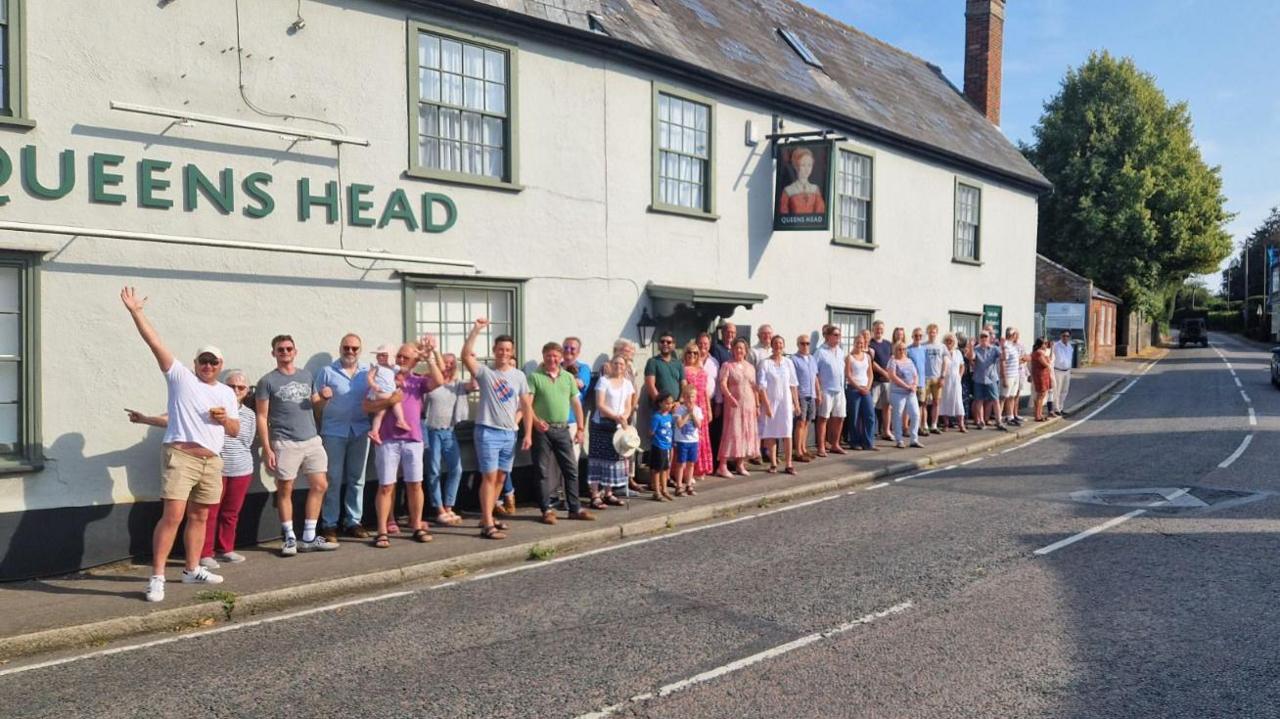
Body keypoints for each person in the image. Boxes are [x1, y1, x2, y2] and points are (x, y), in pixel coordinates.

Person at [121, 287, 239, 602]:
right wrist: (136, 312)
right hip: (182, 457)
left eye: (214, 362)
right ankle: (157, 576)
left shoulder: (227, 393)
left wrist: (224, 420)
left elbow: (235, 430)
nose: (208, 366)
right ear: (195, 362)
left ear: (221, 364)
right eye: (204, 360)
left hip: (211, 461)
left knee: (200, 516)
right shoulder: (181, 378)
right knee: (172, 515)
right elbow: (155, 342)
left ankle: (191, 569)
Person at [125, 369, 258, 570]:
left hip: (241, 467)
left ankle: (226, 548)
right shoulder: (209, 402)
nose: (236, 390)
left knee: (231, 512)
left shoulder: (249, 414)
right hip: (214, 466)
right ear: (224, 387)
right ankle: (205, 554)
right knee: (207, 512)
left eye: (241, 387)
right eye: (232, 386)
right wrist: (145, 419)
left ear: (247, 390)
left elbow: (246, 439)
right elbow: (173, 419)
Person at [257, 335, 340, 556]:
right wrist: (267, 448)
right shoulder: (267, 381)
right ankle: (289, 537)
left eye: (288, 349)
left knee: (320, 485)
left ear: (295, 351)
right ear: (273, 353)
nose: (285, 352)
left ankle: (309, 537)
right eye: (280, 349)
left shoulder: (306, 375)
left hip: (311, 439)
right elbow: (262, 417)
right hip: (285, 442)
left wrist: (324, 398)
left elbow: (315, 405)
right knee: (285, 489)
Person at [463, 319, 533, 540]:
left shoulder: (519, 376)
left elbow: (526, 405)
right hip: (487, 431)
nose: (504, 353)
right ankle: (487, 524)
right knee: (489, 477)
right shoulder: (485, 373)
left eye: (508, 350)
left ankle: (488, 517)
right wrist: (476, 331)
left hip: (509, 434)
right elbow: (466, 356)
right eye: (500, 349)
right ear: (494, 351)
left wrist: (528, 433)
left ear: (512, 352)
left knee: (502, 478)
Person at [363, 339, 437, 548]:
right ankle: (381, 531)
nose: (402, 359)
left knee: (415, 485)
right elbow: (366, 406)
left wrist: (430, 356)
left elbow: (438, 381)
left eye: (406, 357)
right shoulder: (384, 377)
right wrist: (389, 401)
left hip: (413, 440)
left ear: (414, 360)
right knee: (386, 486)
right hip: (387, 440)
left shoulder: (417, 381)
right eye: (400, 356)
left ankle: (416, 526)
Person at [527, 341, 594, 524]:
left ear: (561, 357)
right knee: (542, 472)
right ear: (544, 356)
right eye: (549, 355)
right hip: (542, 431)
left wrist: (580, 429)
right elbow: (527, 404)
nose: (552, 359)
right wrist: (535, 421)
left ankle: (574, 508)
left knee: (571, 469)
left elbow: (577, 404)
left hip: (563, 429)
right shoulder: (534, 377)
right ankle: (546, 510)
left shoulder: (568, 378)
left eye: (556, 356)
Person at [313, 333, 372, 542]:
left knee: (357, 479)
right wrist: (322, 399)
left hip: (360, 430)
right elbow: (316, 405)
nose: (350, 351)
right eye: (346, 347)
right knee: (333, 479)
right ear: (340, 348)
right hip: (334, 432)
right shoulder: (327, 372)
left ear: (360, 350)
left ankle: (353, 521)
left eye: (354, 348)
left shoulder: (368, 372)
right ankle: (329, 524)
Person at [423, 351, 474, 527]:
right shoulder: (430, 381)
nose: (449, 365)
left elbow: (474, 385)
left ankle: (449, 505)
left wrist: (471, 361)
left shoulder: (457, 384)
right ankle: (439, 509)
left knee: (456, 469)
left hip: (449, 432)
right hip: (431, 431)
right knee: (434, 471)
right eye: (445, 362)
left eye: (452, 363)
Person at [588, 355, 635, 506]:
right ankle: (595, 494)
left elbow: (628, 405)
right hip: (602, 424)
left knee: (613, 460)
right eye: (616, 363)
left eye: (622, 364)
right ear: (611, 365)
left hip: (618, 425)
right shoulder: (603, 381)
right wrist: (616, 416)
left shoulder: (627, 384)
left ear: (625, 367)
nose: (619, 366)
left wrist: (624, 417)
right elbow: (600, 404)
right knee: (598, 458)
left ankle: (609, 493)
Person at [715, 338, 761, 478]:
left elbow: (754, 387)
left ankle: (740, 463)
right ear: (732, 350)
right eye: (736, 348)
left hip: (749, 404)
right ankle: (722, 466)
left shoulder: (750, 367)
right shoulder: (727, 365)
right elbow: (722, 384)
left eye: (742, 348)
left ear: (746, 350)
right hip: (734, 404)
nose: (739, 350)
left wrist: (758, 405)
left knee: (745, 432)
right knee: (732, 432)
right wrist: (729, 397)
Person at [758, 335, 800, 474]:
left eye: (780, 343)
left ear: (784, 345)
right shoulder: (765, 363)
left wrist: (797, 404)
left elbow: (793, 385)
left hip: (786, 402)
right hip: (771, 402)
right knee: (771, 433)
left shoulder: (788, 362)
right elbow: (761, 386)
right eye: (775, 343)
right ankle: (773, 463)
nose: (778, 346)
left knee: (787, 432)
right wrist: (767, 405)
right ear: (771, 345)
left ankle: (789, 464)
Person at [680, 341, 715, 481]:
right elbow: (683, 390)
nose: (692, 355)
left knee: (702, 439)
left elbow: (705, 392)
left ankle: (700, 469)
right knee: (690, 437)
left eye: (695, 353)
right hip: (690, 405)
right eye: (689, 352)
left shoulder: (702, 371)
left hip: (702, 407)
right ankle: (689, 471)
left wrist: (709, 410)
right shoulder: (682, 369)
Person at [366, 344, 412, 445]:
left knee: (380, 414)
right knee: (395, 400)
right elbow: (369, 377)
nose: (380, 357)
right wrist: (373, 385)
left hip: (388, 391)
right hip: (380, 392)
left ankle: (374, 432)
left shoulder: (392, 367)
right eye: (379, 355)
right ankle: (400, 420)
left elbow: (404, 370)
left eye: (384, 355)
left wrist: (400, 381)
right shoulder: (377, 366)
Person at [813, 324, 845, 456]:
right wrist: (818, 390)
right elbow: (814, 372)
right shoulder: (820, 352)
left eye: (839, 335)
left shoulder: (841, 351)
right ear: (828, 336)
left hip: (840, 389)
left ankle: (835, 444)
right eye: (835, 335)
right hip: (826, 389)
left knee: (839, 417)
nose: (838, 338)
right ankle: (821, 446)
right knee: (823, 418)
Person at [966, 330, 1005, 431]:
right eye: (982, 337)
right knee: (979, 400)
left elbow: (1003, 358)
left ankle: (999, 421)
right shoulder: (976, 349)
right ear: (979, 338)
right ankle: (981, 421)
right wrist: (970, 346)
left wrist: (1003, 347)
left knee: (995, 400)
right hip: (979, 378)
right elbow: (971, 357)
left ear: (989, 338)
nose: (984, 339)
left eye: (986, 336)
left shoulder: (994, 349)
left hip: (991, 378)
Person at [887, 341, 923, 449]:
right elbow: (893, 376)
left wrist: (914, 385)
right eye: (899, 349)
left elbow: (915, 374)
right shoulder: (893, 361)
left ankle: (914, 439)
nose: (902, 351)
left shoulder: (909, 361)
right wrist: (906, 386)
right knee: (897, 415)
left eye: (903, 349)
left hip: (910, 392)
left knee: (915, 415)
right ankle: (899, 439)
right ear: (895, 350)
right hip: (898, 393)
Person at [845, 334, 876, 450]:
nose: (860, 345)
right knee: (854, 416)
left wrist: (867, 387)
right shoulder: (849, 357)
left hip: (865, 388)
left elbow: (870, 374)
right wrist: (858, 388)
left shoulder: (867, 356)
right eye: (858, 342)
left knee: (870, 415)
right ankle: (854, 441)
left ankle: (868, 441)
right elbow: (848, 375)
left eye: (862, 343)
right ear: (854, 343)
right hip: (854, 389)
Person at [790, 333, 818, 462]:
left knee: (807, 422)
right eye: (802, 343)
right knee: (800, 423)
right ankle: (798, 451)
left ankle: (804, 448)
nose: (805, 346)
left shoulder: (812, 358)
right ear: (798, 345)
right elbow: (792, 380)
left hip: (812, 394)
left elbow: (815, 377)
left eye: (807, 343)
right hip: (801, 394)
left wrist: (819, 392)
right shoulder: (794, 359)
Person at [672, 385, 704, 495]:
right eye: (687, 397)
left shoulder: (698, 410)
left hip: (693, 441)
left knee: (691, 463)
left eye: (692, 397)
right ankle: (679, 486)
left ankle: (689, 485)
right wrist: (688, 413)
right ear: (684, 398)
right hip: (682, 441)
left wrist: (693, 413)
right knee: (681, 464)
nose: (690, 399)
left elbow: (698, 425)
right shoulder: (679, 410)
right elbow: (680, 424)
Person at [777, 146, 826, 216]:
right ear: (796, 166)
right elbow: (783, 214)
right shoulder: (788, 190)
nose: (807, 169)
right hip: (794, 225)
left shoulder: (815, 189)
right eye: (803, 165)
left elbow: (820, 212)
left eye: (809, 165)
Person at [868, 321, 894, 441]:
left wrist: (890, 374)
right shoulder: (870, 344)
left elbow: (892, 359)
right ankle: (871, 432)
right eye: (877, 329)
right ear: (873, 329)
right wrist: (884, 373)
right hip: (876, 381)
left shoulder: (888, 344)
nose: (879, 331)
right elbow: (871, 363)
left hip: (888, 382)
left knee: (887, 407)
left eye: (881, 329)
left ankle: (886, 431)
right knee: (871, 406)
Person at [698, 332, 722, 463]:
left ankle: (709, 463)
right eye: (700, 343)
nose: (703, 346)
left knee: (710, 434)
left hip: (711, 402)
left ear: (710, 345)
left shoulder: (714, 362)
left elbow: (718, 384)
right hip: (695, 403)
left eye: (706, 344)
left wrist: (718, 403)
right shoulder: (692, 360)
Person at [648, 392, 676, 501]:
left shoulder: (669, 416)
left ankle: (664, 489)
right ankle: (657, 491)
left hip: (667, 447)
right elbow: (651, 432)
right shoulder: (657, 417)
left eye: (671, 403)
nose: (669, 406)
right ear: (660, 404)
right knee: (657, 470)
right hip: (658, 446)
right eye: (667, 403)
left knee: (665, 469)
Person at [938, 333, 967, 433]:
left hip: (956, 380)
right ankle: (946, 424)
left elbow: (962, 365)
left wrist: (960, 375)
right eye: (947, 340)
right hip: (945, 380)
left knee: (958, 401)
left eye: (951, 341)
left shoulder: (958, 353)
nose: (949, 342)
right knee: (945, 401)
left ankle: (961, 424)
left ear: (954, 342)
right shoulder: (942, 352)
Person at [922, 324, 946, 435]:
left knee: (936, 402)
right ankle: (924, 424)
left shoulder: (941, 346)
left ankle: (934, 425)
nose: (932, 334)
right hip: (925, 377)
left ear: (937, 333)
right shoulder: (923, 346)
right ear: (928, 333)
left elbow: (945, 362)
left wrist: (943, 376)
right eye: (930, 332)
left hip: (937, 377)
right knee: (924, 403)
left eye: (934, 332)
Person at [1000, 328, 1027, 426]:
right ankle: (999, 419)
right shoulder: (1006, 346)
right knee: (1003, 397)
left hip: (1015, 375)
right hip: (1009, 375)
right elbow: (1003, 362)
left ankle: (1010, 417)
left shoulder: (1012, 346)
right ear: (1013, 335)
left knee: (1011, 397)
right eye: (1016, 334)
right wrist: (1004, 377)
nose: (1017, 336)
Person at [906, 328, 928, 436]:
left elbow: (926, 365)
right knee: (910, 407)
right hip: (911, 383)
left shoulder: (924, 349)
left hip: (922, 382)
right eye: (916, 336)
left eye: (920, 336)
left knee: (922, 406)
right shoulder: (908, 350)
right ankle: (907, 428)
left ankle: (921, 427)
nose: (918, 337)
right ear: (912, 336)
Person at [1051, 330, 1074, 416]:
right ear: (1061, 336)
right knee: (1057, 390)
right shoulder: (1056, 346)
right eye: (1064, 336)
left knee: (1065, 391)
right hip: (1058, 371)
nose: (1065, 337)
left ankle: (1061, 408)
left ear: (1069, 337)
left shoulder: (1070, 347)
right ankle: (1056, 409)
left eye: (1067, 336)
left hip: (1067, 371)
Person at [1030, 338, 1053, 421]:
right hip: (1040, 376)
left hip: (1044, 375)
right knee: (1040, 395)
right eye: (1045, 343)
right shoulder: (1039, 353)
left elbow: (1049, 360)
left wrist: (1051, 350)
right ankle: (1037, 415)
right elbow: (1045, 364)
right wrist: (1047, 361)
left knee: (1042, 395)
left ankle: (1040, 414)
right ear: (1041, 344)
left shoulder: (1042, 353)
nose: (1046, 345)